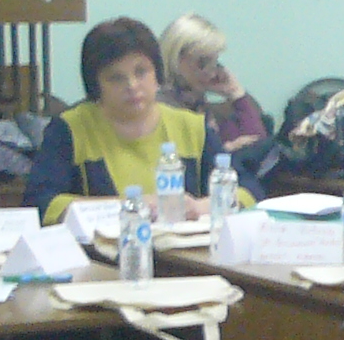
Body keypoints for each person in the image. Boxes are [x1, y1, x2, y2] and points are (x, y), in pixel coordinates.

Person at [26, 18, 235, 223]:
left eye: (141, 72)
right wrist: (130, 206)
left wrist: (198, 207)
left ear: (157, 73)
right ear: (95, 85)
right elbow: (43, 204)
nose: (132, 85)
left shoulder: (192, 127)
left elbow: (244, 191)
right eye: (116, 78)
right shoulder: (69, 129)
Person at [160, 13, 271, 158]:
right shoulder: (160, 107)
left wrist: (236, 93)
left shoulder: (205, 107)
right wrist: (223, 152)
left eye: (214, 63)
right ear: (176, 59)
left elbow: (258, 147)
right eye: (202, 63)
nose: (211, 73)